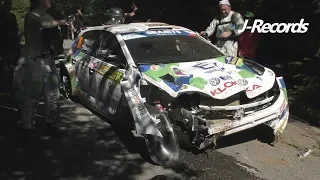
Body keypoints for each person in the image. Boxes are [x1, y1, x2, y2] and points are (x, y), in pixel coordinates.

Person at [13, 0, 67, 135]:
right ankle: (28, 127)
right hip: (34, 62)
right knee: (33, 96)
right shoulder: (32, 16)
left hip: (49, 60)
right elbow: (45, 25)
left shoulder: (47, 15)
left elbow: (53, 36)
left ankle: (51, 124)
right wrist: (61, 22)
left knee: (53, 94)